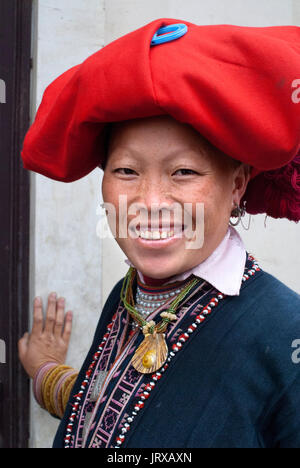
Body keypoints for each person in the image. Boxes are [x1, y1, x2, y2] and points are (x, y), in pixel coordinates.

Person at [18, 18, 300, 448]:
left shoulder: (287, 332)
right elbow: (115, 411)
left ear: (237, 184)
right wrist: (45, 373)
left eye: (184, 172)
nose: (150, 202)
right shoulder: (128, 296)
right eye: (126, 171)